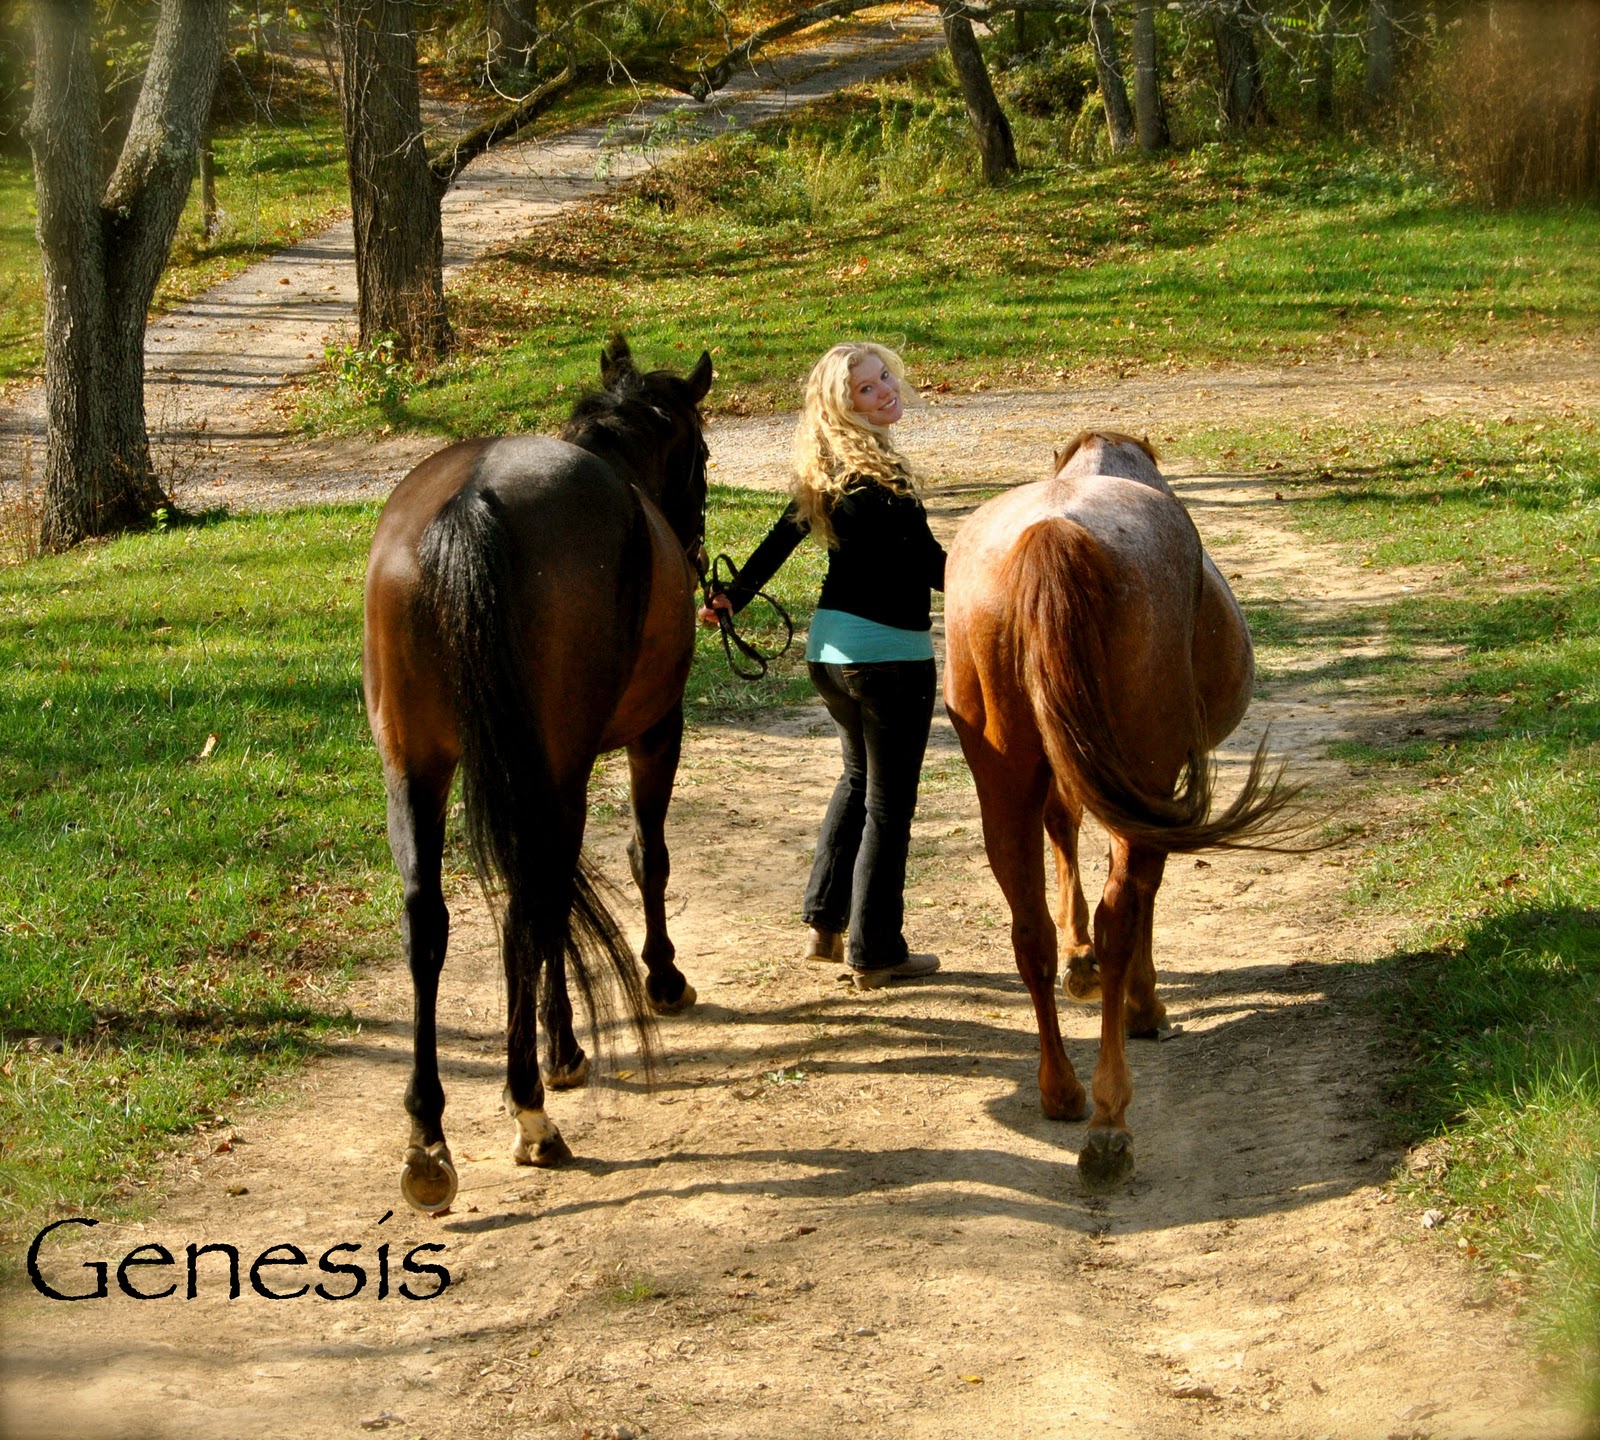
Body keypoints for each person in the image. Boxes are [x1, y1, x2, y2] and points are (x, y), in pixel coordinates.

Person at [701, 342, 947, 991]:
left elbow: (782, 537)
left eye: (885, 376)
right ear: (845, 407)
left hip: (829, 654)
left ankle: (825, 924)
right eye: (868, 389)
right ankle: (876, 950)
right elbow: (932, 567)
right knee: (890, 806)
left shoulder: (827, 469)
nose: (886, 389)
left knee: (858, 781)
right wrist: (1009, 575)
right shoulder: (881, 480)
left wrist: (733, 596)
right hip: (888, 659)